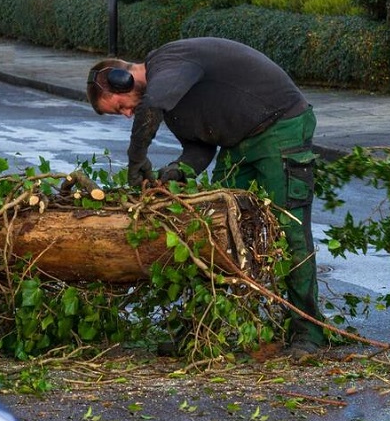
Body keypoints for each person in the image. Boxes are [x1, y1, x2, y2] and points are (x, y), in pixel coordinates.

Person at [86, 37, 327, 357]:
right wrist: (175, 172)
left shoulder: (168, 60)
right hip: (237, 143)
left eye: (121, 106)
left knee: (290, 228)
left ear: (122, 79)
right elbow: (200, 146)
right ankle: (207, 330)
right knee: (217, 230)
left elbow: (151, 105)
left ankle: (309, 332)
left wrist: (136, 159)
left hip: (280, 128)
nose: (128, 114)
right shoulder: (170, 102)